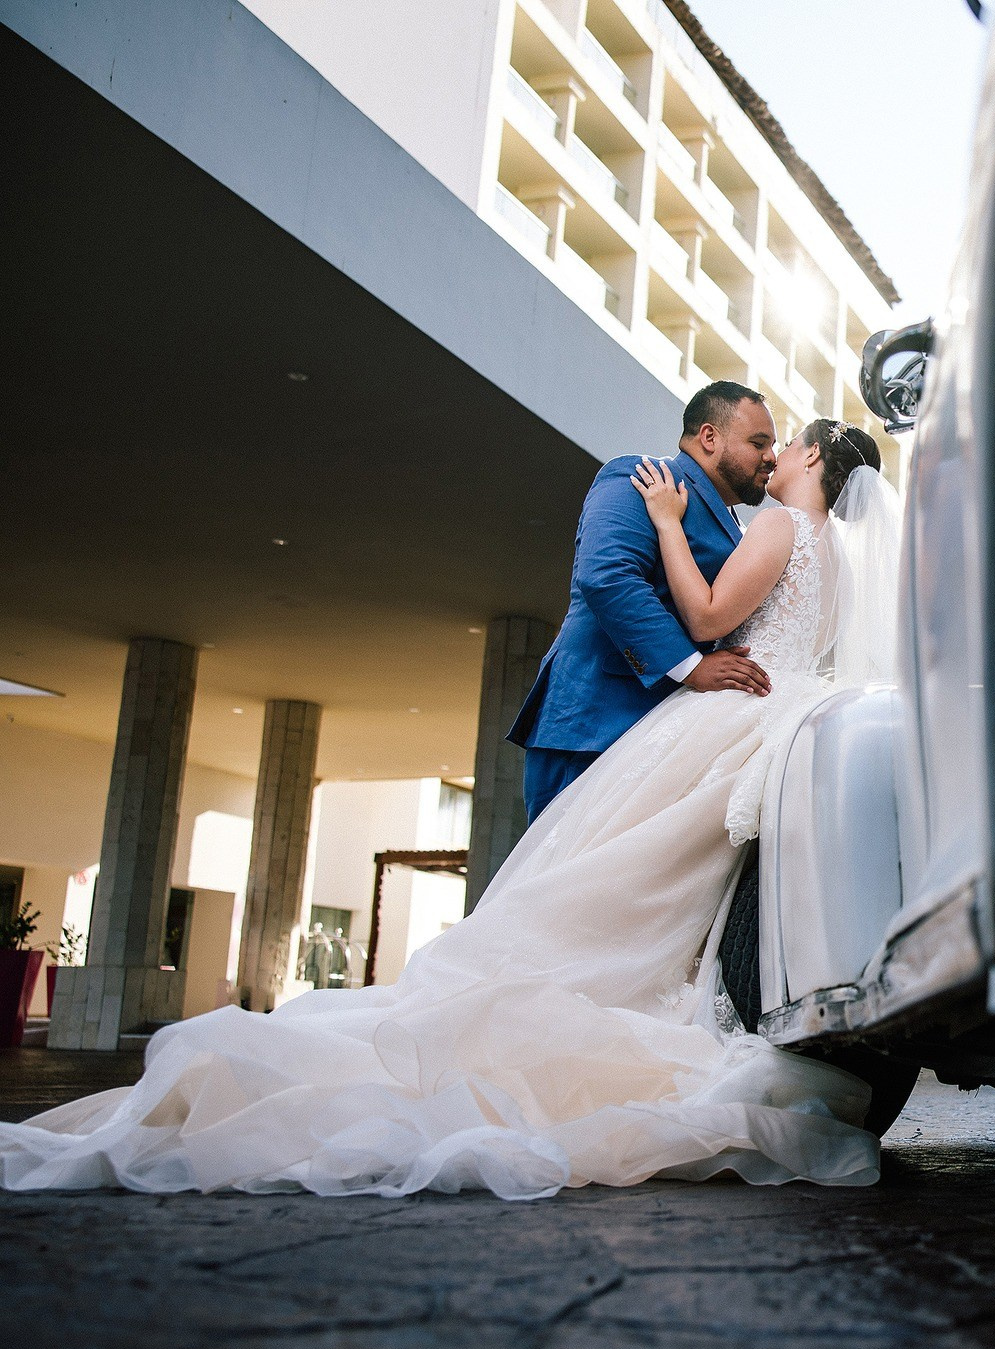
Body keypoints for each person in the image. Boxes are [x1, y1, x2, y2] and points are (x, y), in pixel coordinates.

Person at [0, 419, 900, 1199]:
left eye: (786, 442)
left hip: (727, 708)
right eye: (761, 437)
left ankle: (534, 988)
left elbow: (706, 619)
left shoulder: (782, 522)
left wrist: (668, 523)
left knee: (606, 865)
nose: (774, 453)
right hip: (786, 711)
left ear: (814, 457)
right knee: (665, 879)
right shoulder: (848, 571)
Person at [509, 381, 779, 824]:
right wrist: (692, 666)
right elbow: (608, 578)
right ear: (709, 437)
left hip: (666, 734)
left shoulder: (738, 528)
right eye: (758, 443)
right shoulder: (639, 476)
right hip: (595, 723)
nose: (771, 456)